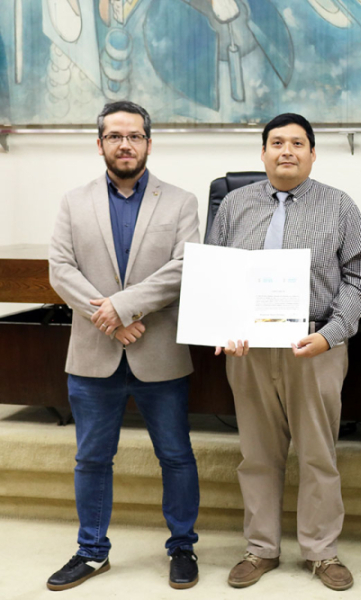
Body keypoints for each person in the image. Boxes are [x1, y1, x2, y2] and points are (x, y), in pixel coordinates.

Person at [206, 113, 361, 591]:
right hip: (249, 349)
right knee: (257, 453)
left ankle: (321, 553)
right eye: (276, 143)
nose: (286, 151)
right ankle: (260, 549)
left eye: (297, 144)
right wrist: (224, 325)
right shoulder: (234, 204)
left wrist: (334, 332)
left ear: (313, 153)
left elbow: (360, 276)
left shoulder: (339, 206)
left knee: (318, 453)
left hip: (314, 344)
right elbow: (215, 272)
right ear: (262, 153)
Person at [47, 101, 201, 590]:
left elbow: (182, 269)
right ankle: (92, 552)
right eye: (114, 136)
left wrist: (122, 308)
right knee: (92, 458)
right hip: (94, 356)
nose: (125, 144)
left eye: (134, 136)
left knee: (176, 455)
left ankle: (182, 547)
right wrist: (108, 319)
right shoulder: (74, 201)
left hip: (160, 354)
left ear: (149, 143)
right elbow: (61, 270)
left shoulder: (181, 201)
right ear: (100, 144)